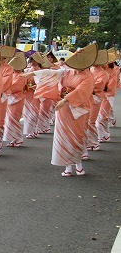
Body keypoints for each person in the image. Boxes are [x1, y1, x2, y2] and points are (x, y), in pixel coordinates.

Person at [23, 43, 96, 177]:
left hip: (77, 109)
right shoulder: (67, 71)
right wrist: (33, 73)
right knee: (64, 137)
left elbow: (81, 91)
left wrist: (65, 100)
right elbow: (52, 73)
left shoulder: (88, 76)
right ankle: (68, 166)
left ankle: (78, 164)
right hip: (63, 109)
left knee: (77, 136)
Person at [2, 52, 27, 147]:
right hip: (11, 98)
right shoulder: (13, 74)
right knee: (10, 119)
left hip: (18, 99)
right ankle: (13, 138)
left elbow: (16, 87)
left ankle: (19, 138)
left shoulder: (21, 76)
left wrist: (6, 87)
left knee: (14, 119)